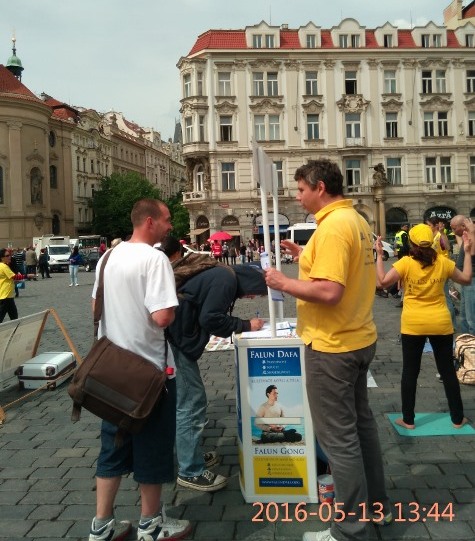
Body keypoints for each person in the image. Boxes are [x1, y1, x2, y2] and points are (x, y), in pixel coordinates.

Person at [264, 159, 390, 541]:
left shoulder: (333, 227)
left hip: (332, 346)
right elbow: (343, 269)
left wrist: (282, 282)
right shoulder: (355, 220)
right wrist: (304, 255)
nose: (297, 196)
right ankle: (376, 507)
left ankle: (349, 529)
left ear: (320, 188)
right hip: (358, 338)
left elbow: (330, 291)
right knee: (361, 429)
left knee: (339, 439)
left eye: (301, 189)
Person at [89, 200, 191, 541]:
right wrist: (172, 308)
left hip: (112, 371)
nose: (170, 226)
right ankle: (151, 524)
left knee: (112, 447)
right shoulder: (155, 258)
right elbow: (162, 317)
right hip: (150, 374)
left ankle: (101, 525)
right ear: (150, 221)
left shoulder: (108, 257)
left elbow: (95, 306)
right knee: (153, 449)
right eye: (166, 219)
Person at [163, 236, 266, 492]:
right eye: (255, 293)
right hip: (176, 339)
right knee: (191, 402)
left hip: (176, 335)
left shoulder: (222, 273)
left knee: (187, 400)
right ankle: (190, 470)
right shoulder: (226, 280)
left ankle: (190, 454)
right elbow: (211, 318)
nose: (252, 298)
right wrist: (245, 325)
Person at [375, 223, 472, 431]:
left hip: (413, 324)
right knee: (447, 371)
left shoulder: (405, 263)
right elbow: (465, 279)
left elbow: (381, 282)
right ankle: (457, 419)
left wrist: (379, 256)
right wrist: (467, 252)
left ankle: (408, 420)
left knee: (410, 372)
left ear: (412, 243)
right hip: (440, 322)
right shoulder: (443, 262)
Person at [426, 217, 456, 327]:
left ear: (436, 226)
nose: (427, 227)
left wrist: (442, 233)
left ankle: (451, 324)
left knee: (445, 297)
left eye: (429, 225)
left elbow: (447, 247)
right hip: (435, 269)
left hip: (442, 269)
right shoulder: (432, 237)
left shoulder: (440, 236)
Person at [450, 215, 475, 334]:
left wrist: (472, 232)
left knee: (471, 316)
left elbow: (472, 252)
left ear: (463, 226)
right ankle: (466, 338)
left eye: (454, 228)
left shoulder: (472, 234)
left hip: (472, 280)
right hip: (467, 281)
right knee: (464, 315)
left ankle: (472, 340)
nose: (453, 231)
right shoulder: (466, 234)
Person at [0, 248, 35, 323]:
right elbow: (15, 277)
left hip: (8, 295)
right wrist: (27, 276)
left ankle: (15, 329)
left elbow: (9, 278)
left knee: (14, 317)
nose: (10, 257)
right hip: (5, 296)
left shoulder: (2, 266)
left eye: (10, 255)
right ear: (2, 258)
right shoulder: (3, 266)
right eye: (7, 255)